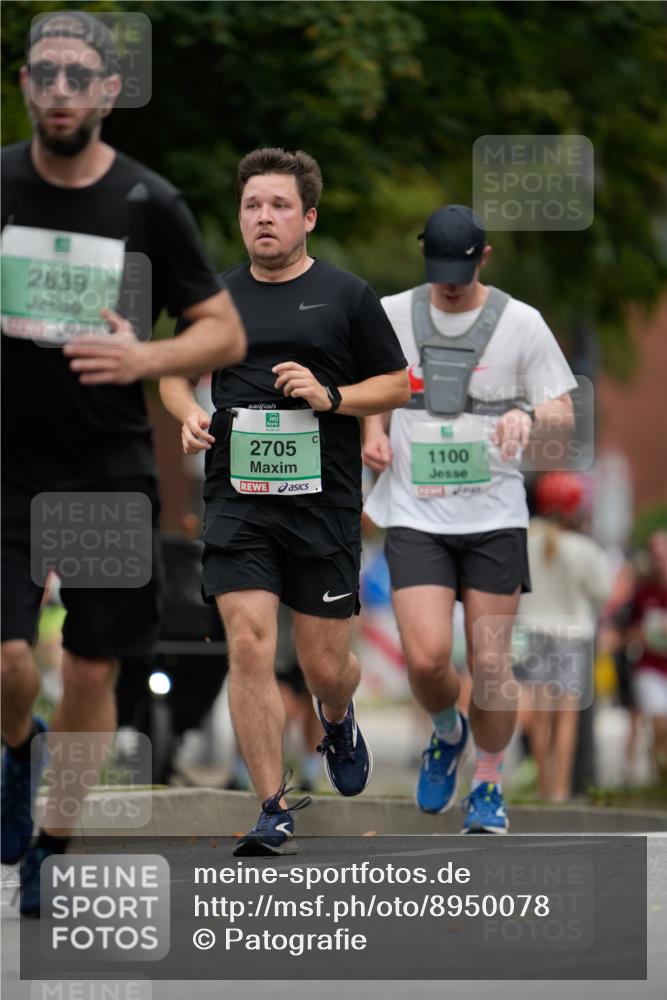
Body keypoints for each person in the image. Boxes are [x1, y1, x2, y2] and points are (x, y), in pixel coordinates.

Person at [1, 10, 245, 915]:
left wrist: (145, 358)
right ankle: (18, 752)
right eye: (44, 73)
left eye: (78, 76)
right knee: (8, 665)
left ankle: (51, 845)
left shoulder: (148, 202)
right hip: (6, 466)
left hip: (107, 464)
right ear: (27, 85)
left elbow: (222, 328)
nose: (59, 89)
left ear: (107, 91)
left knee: (95, 669)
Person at [160, 146, 409, 856]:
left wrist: (332, 396)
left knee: (324, 665)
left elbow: (394, 385)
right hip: (238, 497)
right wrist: (184, 411)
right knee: (248, 643)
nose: (263, 217)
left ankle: (337, 715)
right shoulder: (215, 297)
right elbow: (175, 374)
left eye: (277, 206)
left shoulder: (347, 295)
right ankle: (270, 805)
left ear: (307, 217)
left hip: (322, 501)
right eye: (251, 206)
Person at [363, 204, 576, 833]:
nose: (449, 282)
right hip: (415, 511)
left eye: (461, 268)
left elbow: (563, 409)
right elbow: (367, 386)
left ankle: (487, 783)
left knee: (490, 665)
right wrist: (373, 432)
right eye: (438, 267)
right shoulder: (393, 313)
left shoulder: (521, 324)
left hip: (493, 514)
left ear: (483, 258)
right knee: (427, 660)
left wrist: (530, 419)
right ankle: (447, 733)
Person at [516, 473, 611, 801]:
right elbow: (603, 591)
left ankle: (544, 786)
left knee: (541, 715)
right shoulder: (585, 549)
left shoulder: (526, 542)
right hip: (572, 635)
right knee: (567, 715)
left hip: (533, 633)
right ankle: (560, 789)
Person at [627, 530, 667, 783]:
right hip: (651, 667)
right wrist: (642, 633)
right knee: (660, 725)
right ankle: (659, 777)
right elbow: (627, 630)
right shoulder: (643, 592)